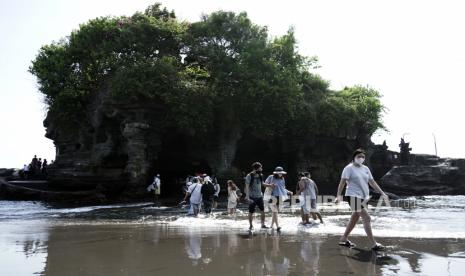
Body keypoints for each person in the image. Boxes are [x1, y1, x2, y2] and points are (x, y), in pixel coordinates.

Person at [335, 148, 389, 251]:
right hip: (352, 196)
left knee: (354, 218)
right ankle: (374, 244)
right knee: (367, 218)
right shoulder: (349, 168)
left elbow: (372, 182)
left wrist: (382, 193)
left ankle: (344, 238)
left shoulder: (365, 169)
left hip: (364, 197)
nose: (361, 158)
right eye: (359, 156)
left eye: (363, 157)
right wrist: (338, 196)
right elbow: (342, 183)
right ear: (354, 157)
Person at [265, 166, 293, 232]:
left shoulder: (282, 179)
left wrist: (288, 192)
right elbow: (264, 184)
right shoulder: (271, 177)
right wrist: (270, 185)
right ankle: (277, 226)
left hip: (280, 196)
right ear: (276, 173)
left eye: (281, 173)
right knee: (275, 211)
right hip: (272, 196)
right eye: (279, 173)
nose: (280, 174)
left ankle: (271, 225)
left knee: (275, 212)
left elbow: (282, 188)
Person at [244, 162, 270, 230]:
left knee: (262, 210)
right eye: (260, 168)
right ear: (256, 168)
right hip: (252, 197)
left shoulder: (260, 175)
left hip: (260, 196)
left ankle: (263, 225)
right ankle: (251, 225)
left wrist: (270, 185)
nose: (261, 169)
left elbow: (263, 184)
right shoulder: (249, 176)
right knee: (251, 212)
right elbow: (246, 186)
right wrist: (247, 196)